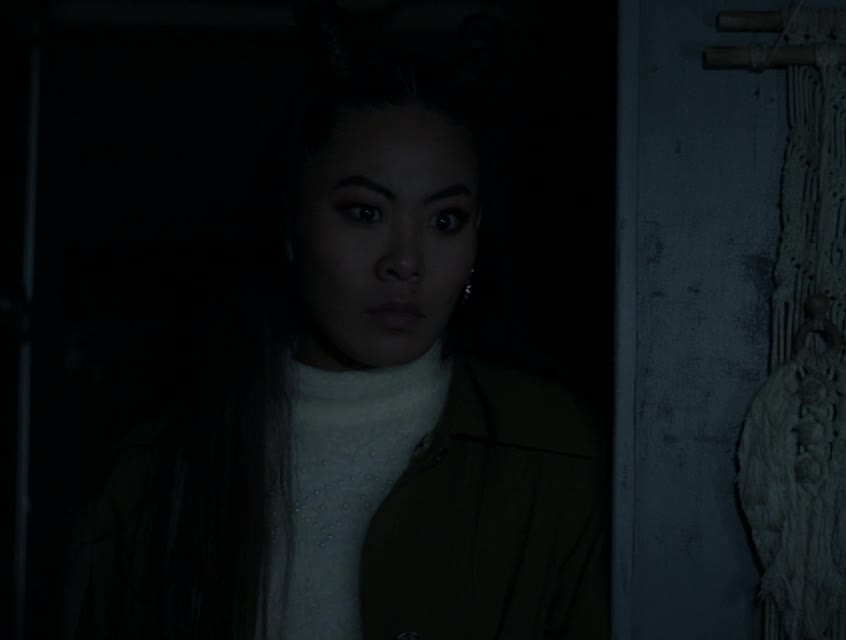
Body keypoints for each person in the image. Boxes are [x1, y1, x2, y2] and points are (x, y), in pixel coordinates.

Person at [58, 8, 608, 639]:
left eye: (445, 220)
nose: (405, 262)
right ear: (291, 224)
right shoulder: (157, 471)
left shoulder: (556, 452)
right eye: (365, 212)